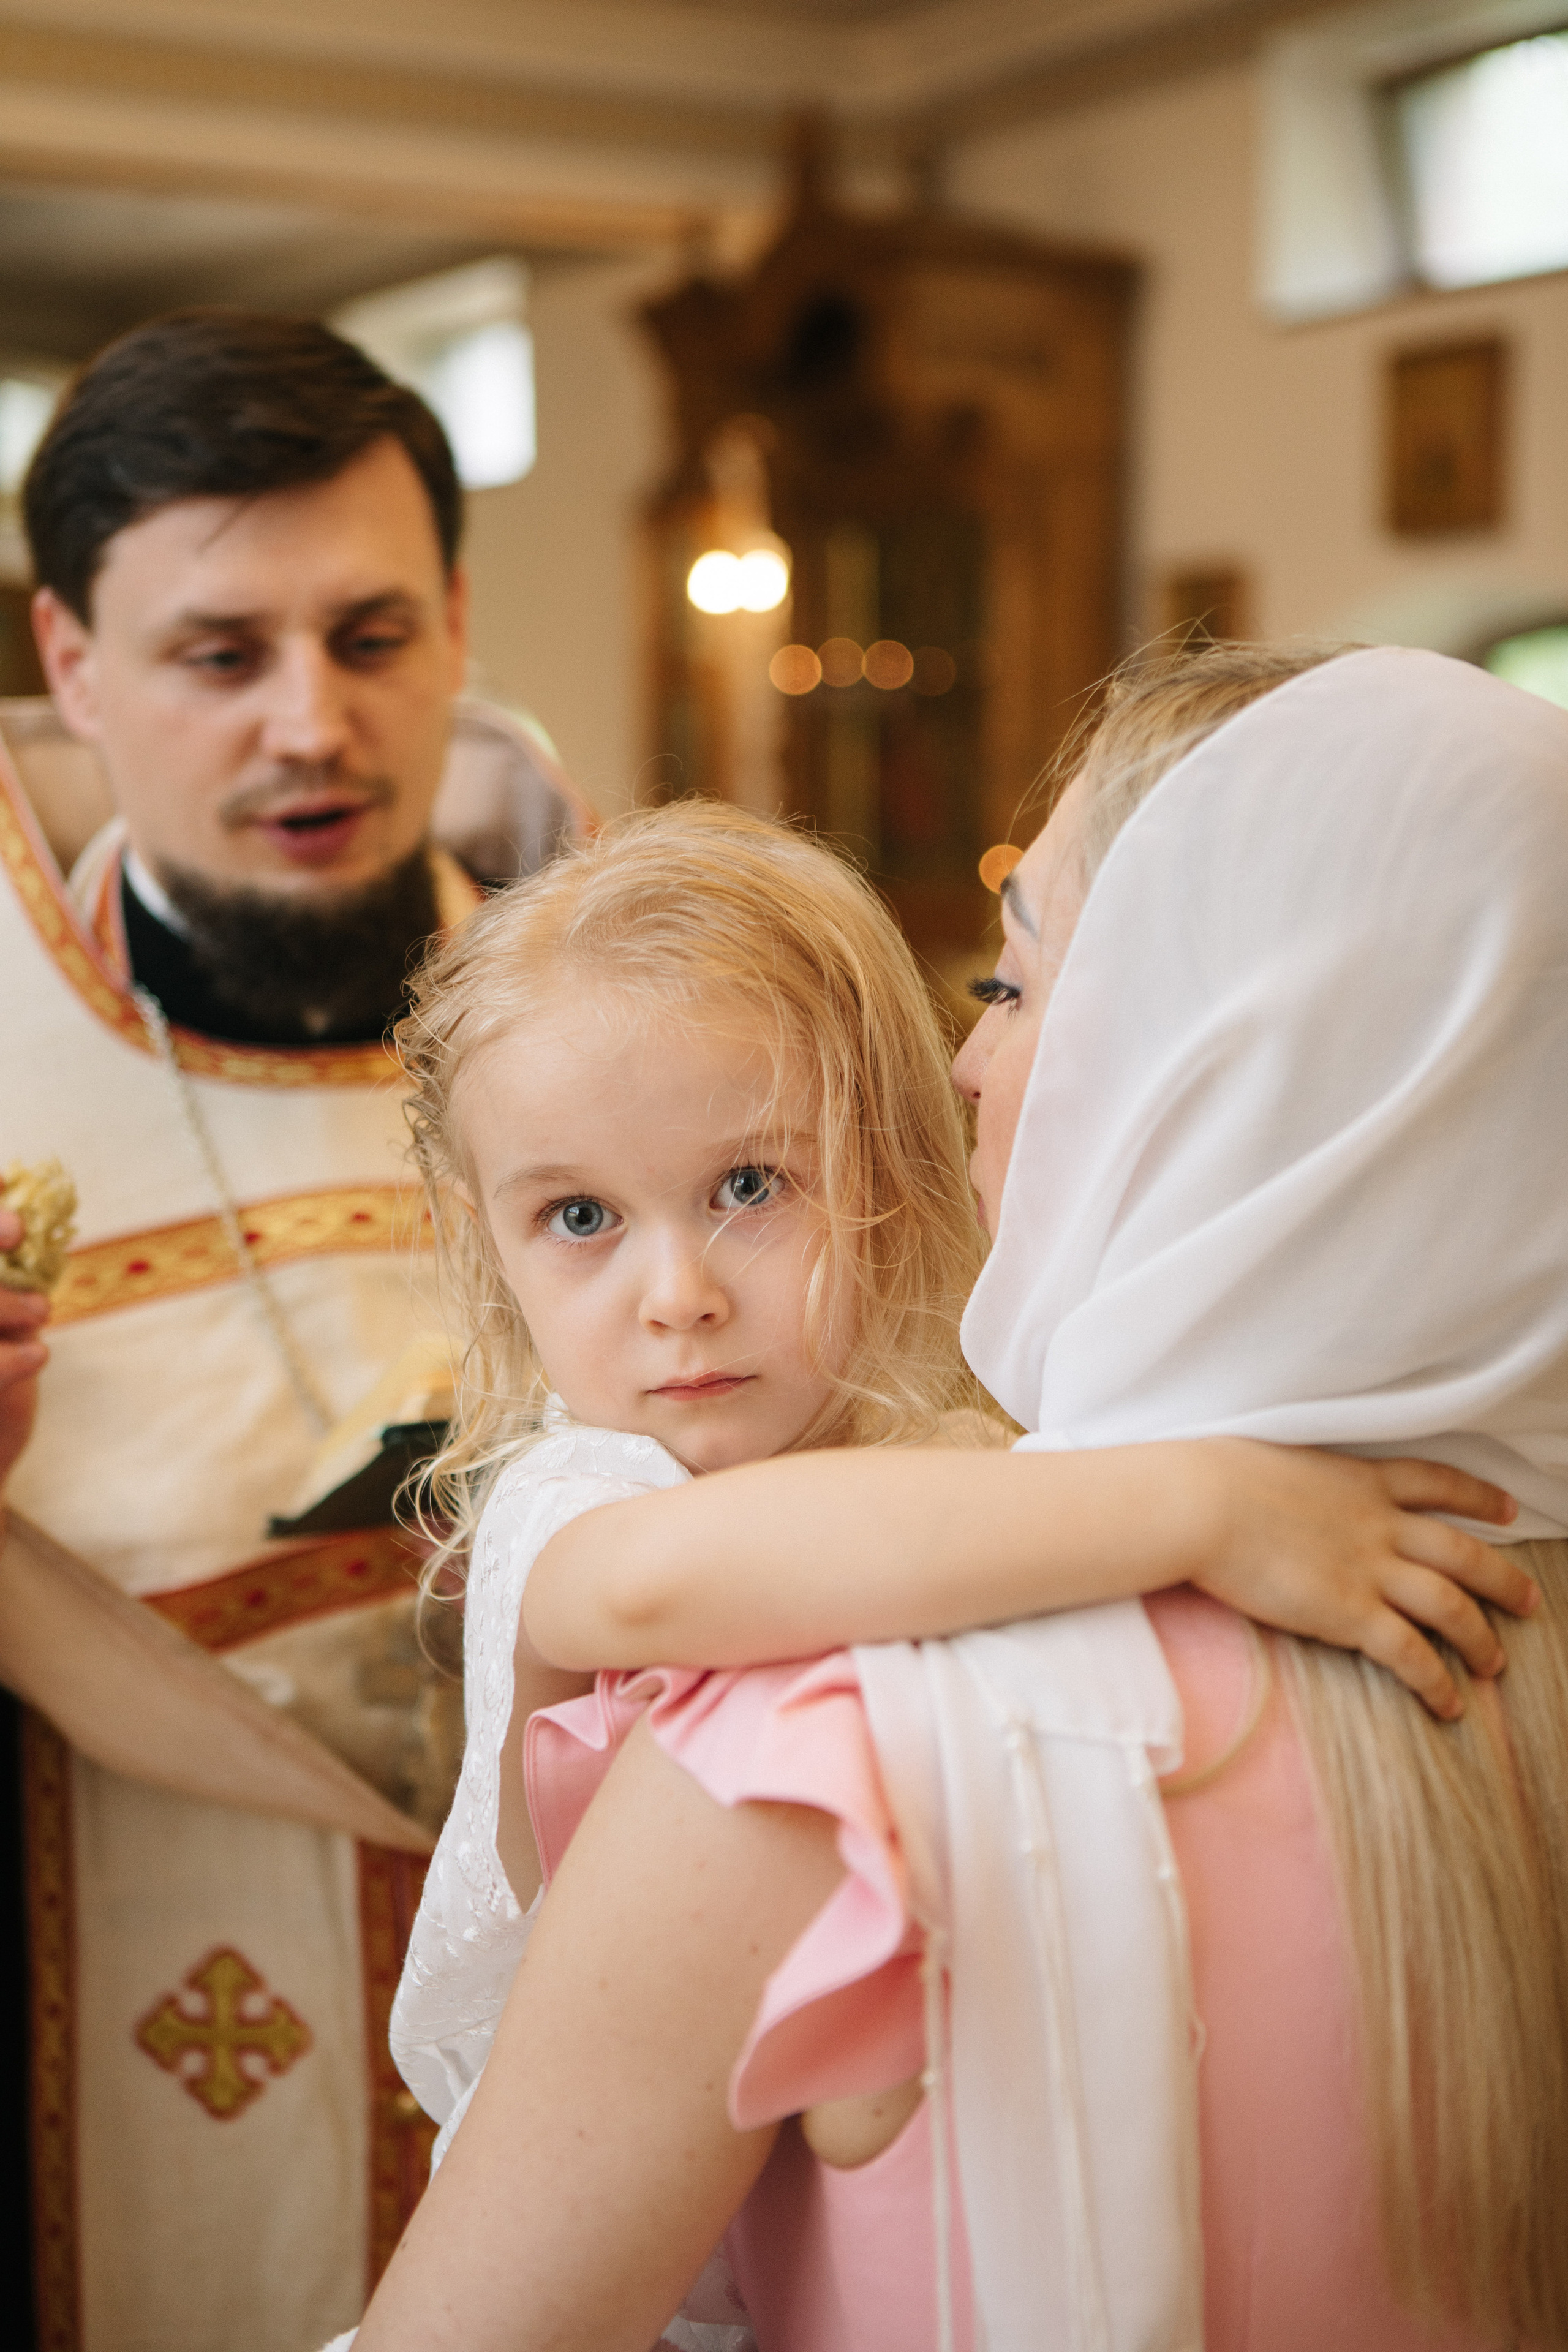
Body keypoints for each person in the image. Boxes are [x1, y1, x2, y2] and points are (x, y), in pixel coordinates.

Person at [353, 643, 1566, 2351]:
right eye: (576, 1221)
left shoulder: (823, 1728)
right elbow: (647, 1588)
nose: (677, 1292)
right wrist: (1212, 1505)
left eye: (1012, 987)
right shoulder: (595, 1495)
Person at [0, 309, 586, 2352]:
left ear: (455, 620)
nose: (312, 727)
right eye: (219, 654)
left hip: (599, 2001)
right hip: (113, 2028)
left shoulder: (655, 1007)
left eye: (369, 634)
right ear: (72, 664)